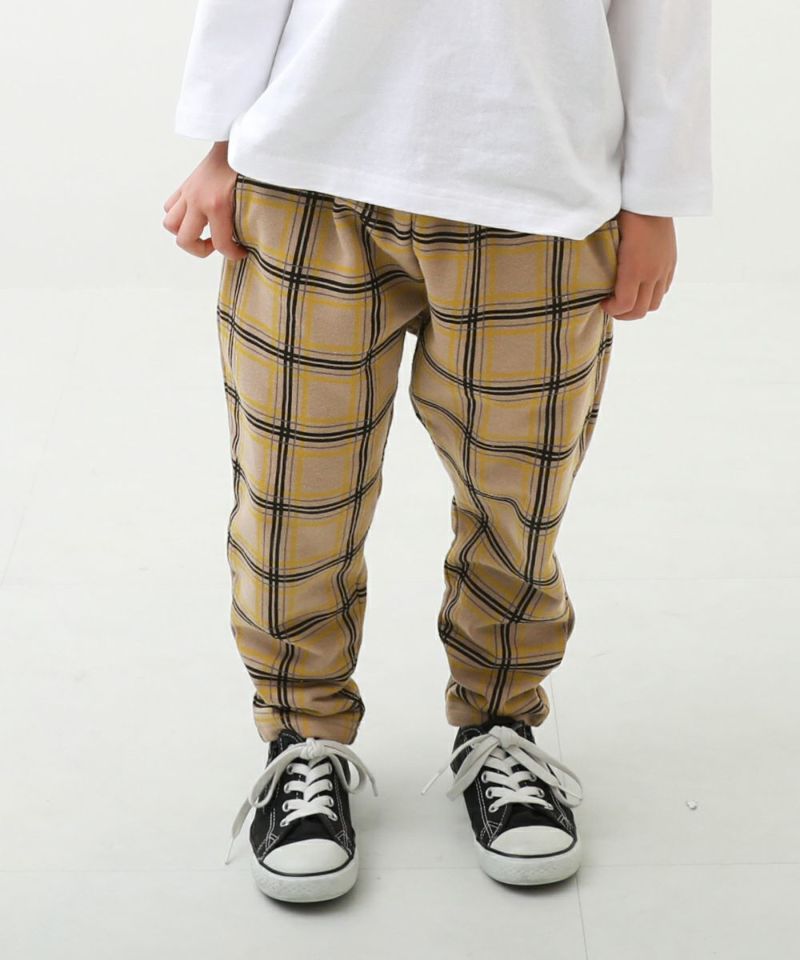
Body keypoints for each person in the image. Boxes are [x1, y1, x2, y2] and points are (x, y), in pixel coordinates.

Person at [163, 0, 712, 903]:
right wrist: (220, 141)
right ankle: (302, 738)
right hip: (310, 170)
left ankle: (499, 727)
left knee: (517, 498)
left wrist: (655, 197)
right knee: (296, 493)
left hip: (538, 182)